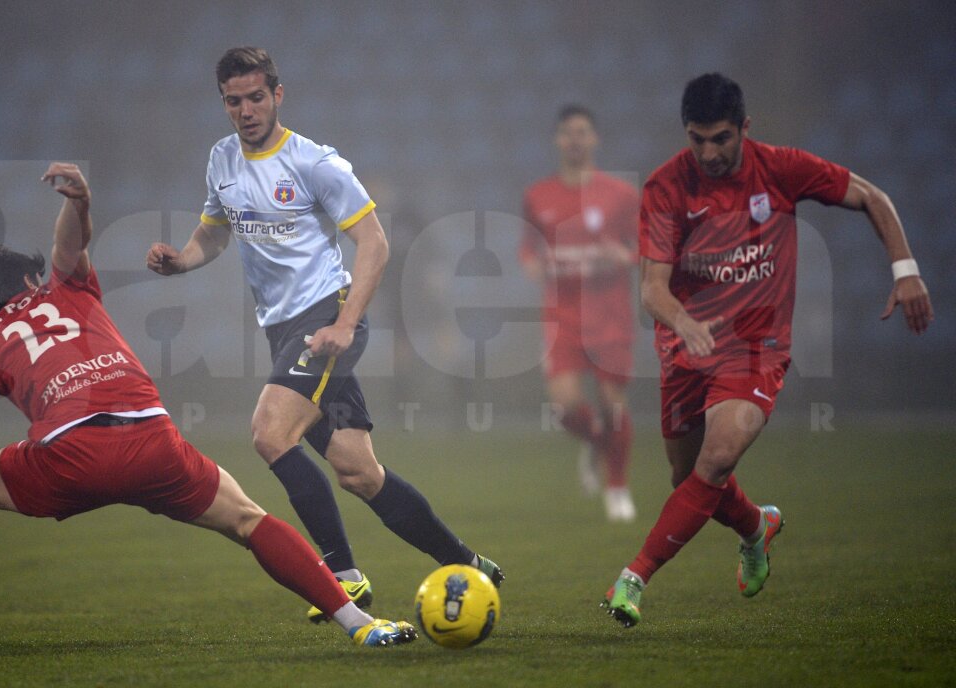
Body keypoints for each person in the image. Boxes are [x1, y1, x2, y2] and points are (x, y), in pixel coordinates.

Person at [0, 162, 418, 650]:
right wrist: (79, 201)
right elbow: (70, 244)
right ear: (28, 283)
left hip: (70, 458)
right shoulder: (66, 287)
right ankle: (361, 625)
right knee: (249, 519)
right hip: (153, 440)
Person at [146, 47, 503, 623]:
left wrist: (343, 323)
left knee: (269, 433)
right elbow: (214, 232)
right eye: (233, 101)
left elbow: (376, 242)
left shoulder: (316, 164)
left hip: (326, 319)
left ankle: (343, 575)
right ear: (224, 103)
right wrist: (181, 260)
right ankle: (467, 562)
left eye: (256, 97)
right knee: (360, 472)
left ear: (278, 95)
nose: (246, 110)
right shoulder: (222, 161)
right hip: (284, 330)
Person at [602, 73, 934, 627]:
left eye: (721, 138)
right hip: (687, 347)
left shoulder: (779, 168)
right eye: (697, 138)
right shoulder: (666, 187)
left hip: (757, 347)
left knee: (719, 455)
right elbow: (652, 288)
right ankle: (756, 526)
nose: (708, 152)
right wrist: (683, 322)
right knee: (689, 480)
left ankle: (633, 577)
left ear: (744, 128)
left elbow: (872, 197)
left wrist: (906, 271)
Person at [519, 105, 639, 522]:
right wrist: (532, 264)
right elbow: (527, 247)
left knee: (612, 405)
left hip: (609, 313)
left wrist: (622, 256)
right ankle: (594, 442)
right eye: (567, 133)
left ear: (595, 139)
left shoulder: (620, 194)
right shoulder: (538, 195)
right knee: (567, 405)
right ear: (557, 140)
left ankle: (617, 488)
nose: (575, 139)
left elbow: (645, 247)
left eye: (583, 132)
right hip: (562, 313)